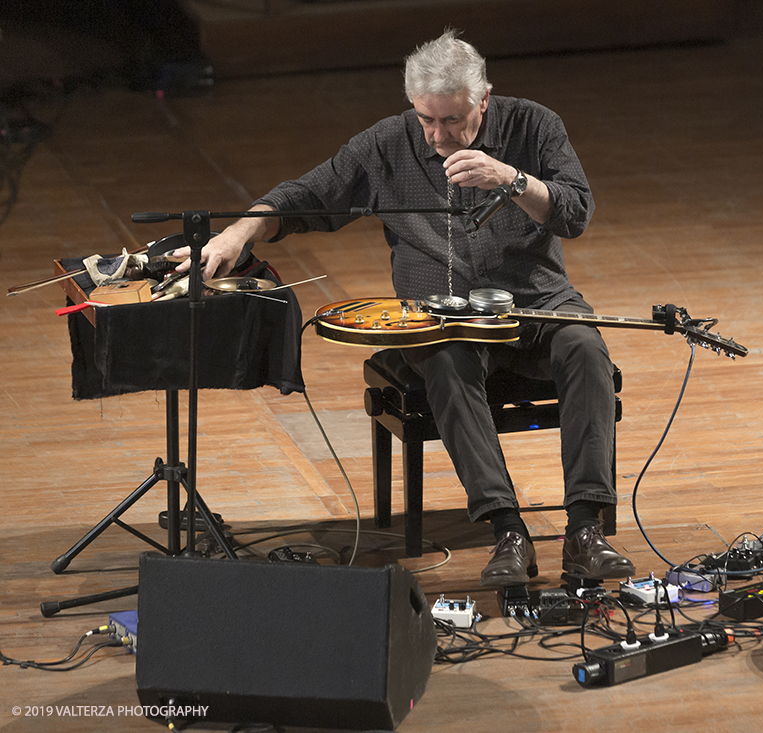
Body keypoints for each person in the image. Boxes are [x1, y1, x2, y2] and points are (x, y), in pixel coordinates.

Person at [175, 29, 634, 586]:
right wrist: (235, 236)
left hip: (535, 303)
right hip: (441, 317)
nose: (437, 135)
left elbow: (576, 212)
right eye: (426, 119)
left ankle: (585, 530)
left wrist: (513, 180)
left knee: (586, 347)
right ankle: (507, 529)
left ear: (484, 100)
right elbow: (307, 196)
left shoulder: (535, 125)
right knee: (445, 361)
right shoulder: (387, 144)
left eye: (452, 120)